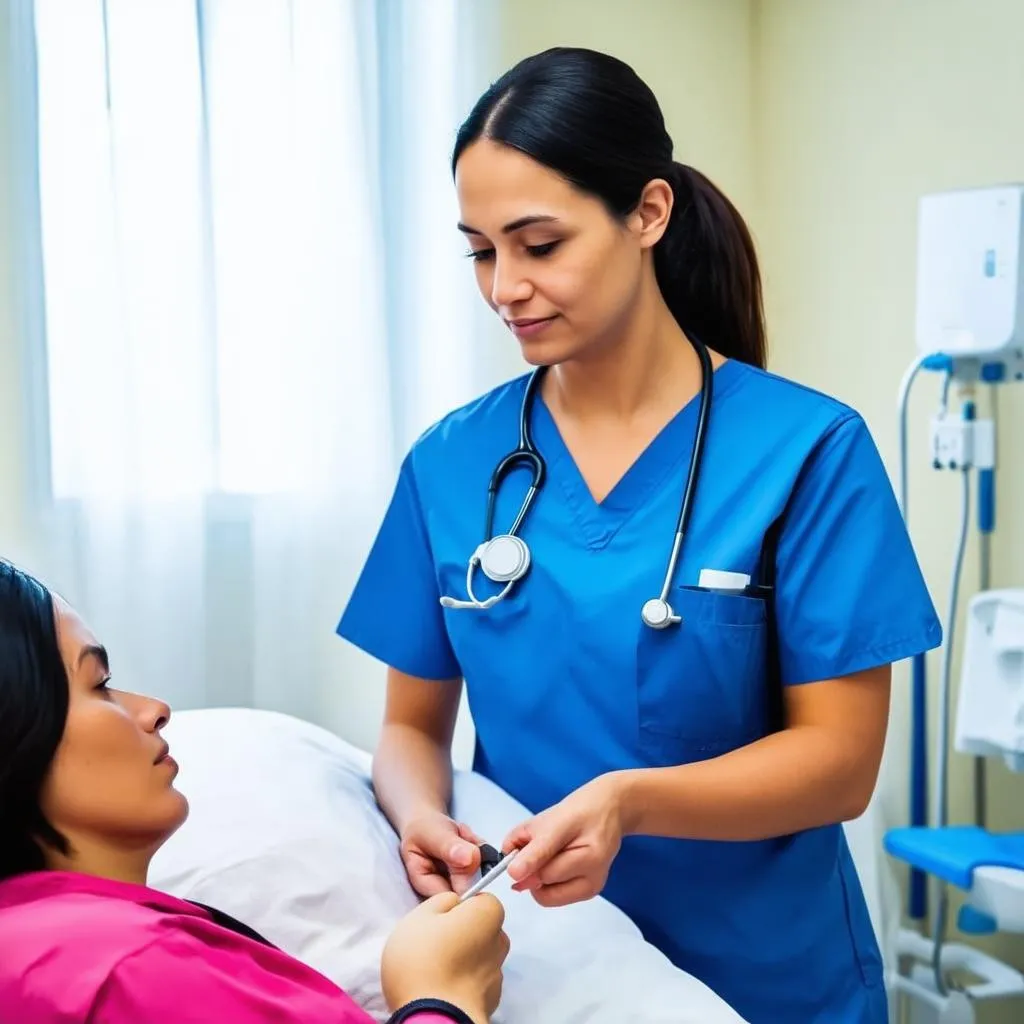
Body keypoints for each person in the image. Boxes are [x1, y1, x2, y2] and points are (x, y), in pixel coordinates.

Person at [336, 46, 942, 1023]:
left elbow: (839, 764)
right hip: (546, 969)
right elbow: (411, 724)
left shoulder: (807, 449)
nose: (504, 288)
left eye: (539, 244)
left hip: (767, 978)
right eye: (481, 250)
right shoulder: (451, 463)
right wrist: (419, 818)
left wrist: (630, 798)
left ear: (647, 214)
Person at [0, 561, 508, 1024]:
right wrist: (442, 995)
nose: (154, 708)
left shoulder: (40, 945)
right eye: (99, 684)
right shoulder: (129, 969)